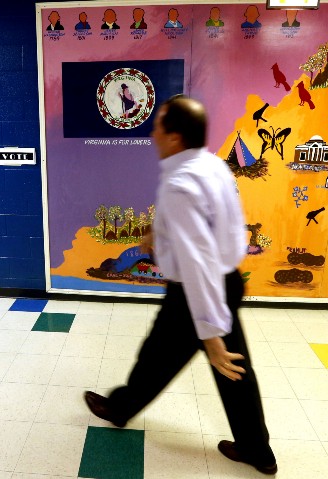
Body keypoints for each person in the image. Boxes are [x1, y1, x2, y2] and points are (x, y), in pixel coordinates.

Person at [84, 95, 278, 476]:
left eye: (158, 124)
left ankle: (121, 408)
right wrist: (155, 238)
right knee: (232, 371)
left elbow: (197, 262)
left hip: (196, 291)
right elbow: (223, 228)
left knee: (170, 356)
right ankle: (258, 450)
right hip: (221, 281)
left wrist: (211, 333)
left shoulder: (180, 184)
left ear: (173, 137)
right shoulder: (211, 166)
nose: (153, 131)